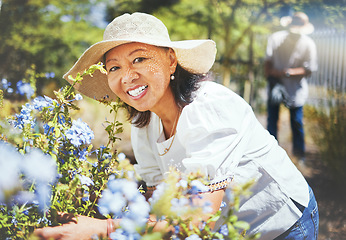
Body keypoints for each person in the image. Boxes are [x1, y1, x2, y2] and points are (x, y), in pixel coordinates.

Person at [35, 12, 319, 240]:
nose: (128, 76)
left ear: (171, 61)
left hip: (280, 223)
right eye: (114, 67)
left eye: (140, 59)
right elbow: (161, 208)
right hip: (228, 230)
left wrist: (104, 229)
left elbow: (196, 218)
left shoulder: (208, 107)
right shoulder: (144, 124)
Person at [264, 12, 318, 161]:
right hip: (276, 85)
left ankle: (299, 155)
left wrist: (287, 73)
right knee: (272, 121)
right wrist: (273, 77)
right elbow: (267, 64)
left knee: (297, 121)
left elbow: (309, 70)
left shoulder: (308, 44)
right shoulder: (276, 39)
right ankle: (270, 154)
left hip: (296, 89)